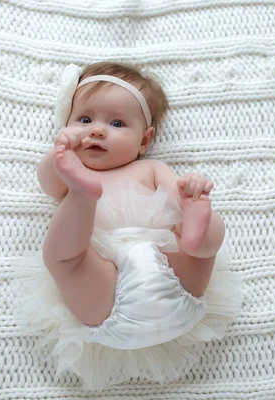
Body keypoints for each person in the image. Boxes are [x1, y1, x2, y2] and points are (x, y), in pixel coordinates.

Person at [14, 62, 242, 389]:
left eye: (117, 122)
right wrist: (60, 155)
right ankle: (83, 198)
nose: (97, 130)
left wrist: (187, 197)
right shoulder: (67, 172)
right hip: (106, 288)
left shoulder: (152, 169)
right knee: (64, 258)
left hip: (169, 266)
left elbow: (173, 196)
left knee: (202, 233)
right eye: (84, 120)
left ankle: (197, 233)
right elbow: (48, 182)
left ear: (144, 141)